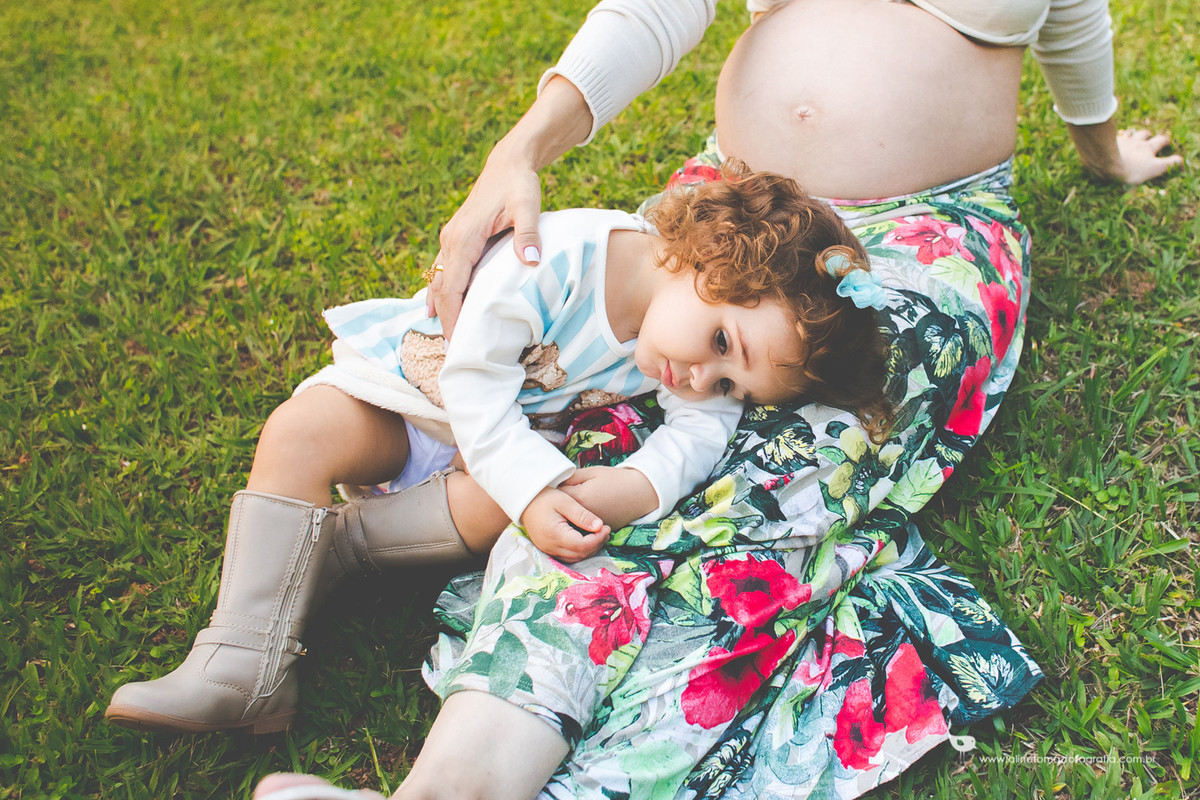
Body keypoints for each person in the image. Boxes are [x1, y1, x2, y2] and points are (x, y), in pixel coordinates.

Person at [255, 0, 1185, 797]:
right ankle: (456, 776)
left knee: (780, 451)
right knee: (631, 434)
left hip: (915, 241)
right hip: (739, 214)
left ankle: (413, 655)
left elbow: (1075, 20)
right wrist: (521, 147)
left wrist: (1102, 153)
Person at [105, 165, 893, 735]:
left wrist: (634, 487)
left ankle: (336, 550)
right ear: (703, 257)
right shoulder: (557, 255)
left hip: (483, 455)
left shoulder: (692, 349)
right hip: (414, 398)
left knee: (509, 508)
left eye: (733, 383)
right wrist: (529, 484)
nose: (702, 376)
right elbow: (474, 381)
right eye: (721, 343)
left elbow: (697, 434)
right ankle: (242, 659)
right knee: (301, 431)